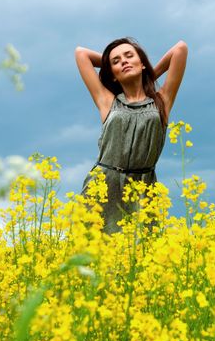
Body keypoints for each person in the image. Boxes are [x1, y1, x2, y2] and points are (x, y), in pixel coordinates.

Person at [75, 37, 188, 233]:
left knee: (142, 256)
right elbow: (81, 53)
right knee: (92, 257)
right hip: (102, 187)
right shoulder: (107, 101)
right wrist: (113, 67)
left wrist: (151, 74)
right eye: (116, 61)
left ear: (142, 63)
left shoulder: (162, 101)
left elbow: (180, 49)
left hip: (143, 188)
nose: (124, 61)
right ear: (112, 75)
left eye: (129, 56)